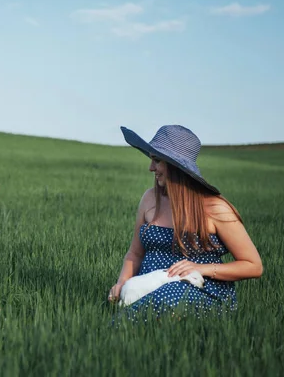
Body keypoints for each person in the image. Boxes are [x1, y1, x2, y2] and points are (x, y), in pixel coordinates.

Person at [108, 125, 263, 318]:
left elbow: (253, 265)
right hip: (145, 286)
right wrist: (122, 283)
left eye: (157, 160)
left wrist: (201, 268)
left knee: (156, 304)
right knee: (131, 305)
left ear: (174, 166)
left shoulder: (214, 208)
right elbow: (135, 253)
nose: (150, 168)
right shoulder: (149, 199)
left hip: (200, 290)